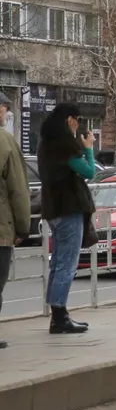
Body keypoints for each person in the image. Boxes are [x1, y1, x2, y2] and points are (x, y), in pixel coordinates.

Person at [36, 103, 94, 334]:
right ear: (70, 120)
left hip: (53, 209)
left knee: (59, 262)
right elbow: (89, 171)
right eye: (78, 120)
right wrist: (88, 148)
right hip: (69, 208)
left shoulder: (45, 144)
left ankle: (58, 315)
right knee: (67, 263)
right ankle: (60, 316)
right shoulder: (65, 145)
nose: (79, 125)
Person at [0, 92, 31, 348]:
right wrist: (23, 226)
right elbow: (18, 189)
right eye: (3, 108)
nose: (5, 113)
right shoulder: (5, 141)